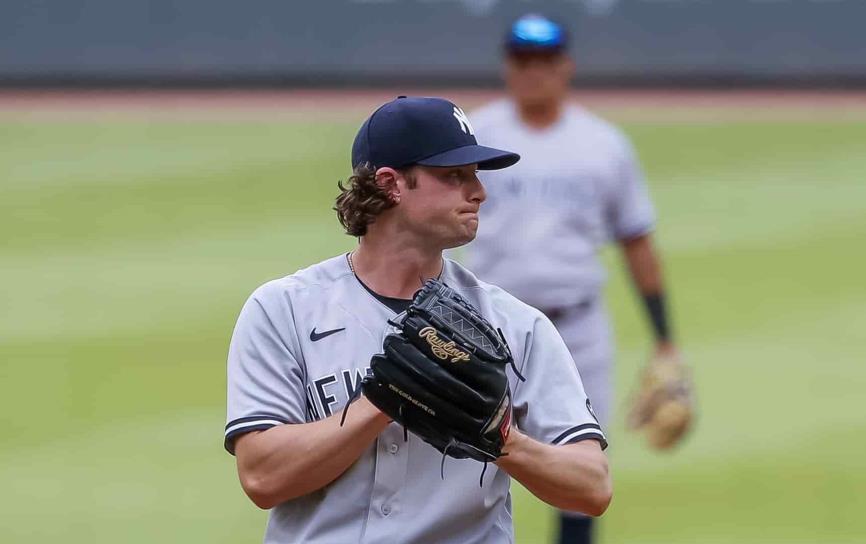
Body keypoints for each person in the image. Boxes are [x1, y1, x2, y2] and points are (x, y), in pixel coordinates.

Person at [224, 96, 612, 543]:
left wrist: (501, 437)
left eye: (476, 176)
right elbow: (262, 478)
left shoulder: (515, 324)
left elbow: (592, 487)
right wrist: (383, 400)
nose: (479, 192)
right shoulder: (283, 310)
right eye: (454, 176)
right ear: (391, 183)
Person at [464, 15, 692, 544]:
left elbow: (636, 239)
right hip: (483, 328)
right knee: (462, 470)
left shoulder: (603, 145)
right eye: (523, 61)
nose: (533, 73)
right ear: (507, 66)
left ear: (565, 66)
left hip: (576, 332)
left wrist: (664, 341)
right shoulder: (475, 136)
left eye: (544, 61)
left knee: (577, 476)